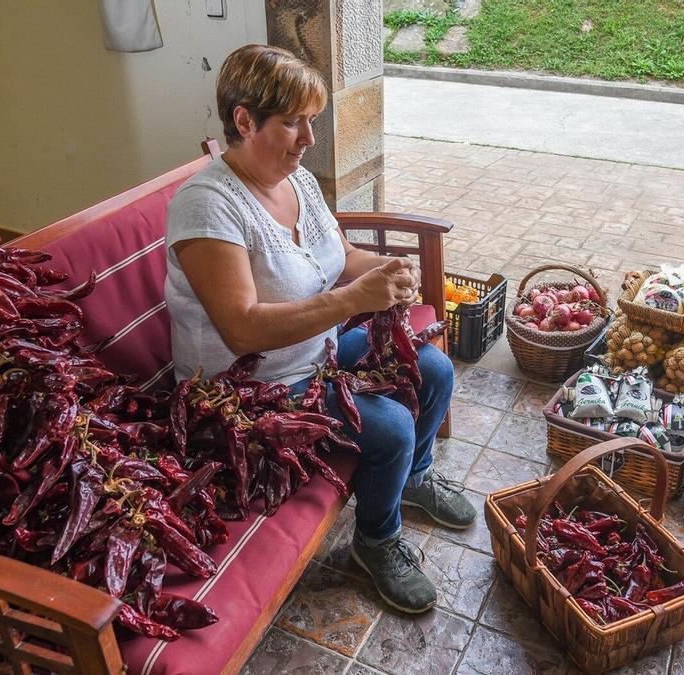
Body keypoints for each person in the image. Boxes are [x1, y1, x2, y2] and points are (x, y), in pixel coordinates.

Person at [164, 44, 474, 614]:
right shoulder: (207, 206)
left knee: (432, 369)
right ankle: (376, 540)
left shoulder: (296, 181)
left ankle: (414, 479)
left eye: (313, 120)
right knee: (389, 428)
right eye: (294, 123)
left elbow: (340, 255)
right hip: (249, 391)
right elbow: (242, 329)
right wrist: (353, 299)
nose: (309, 138)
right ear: (244, 121)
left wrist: (381, 271)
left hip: (316, 357)